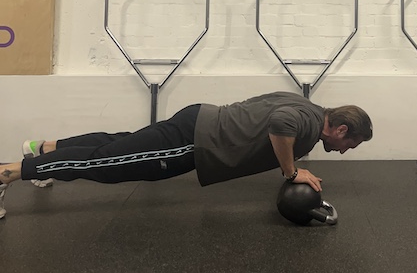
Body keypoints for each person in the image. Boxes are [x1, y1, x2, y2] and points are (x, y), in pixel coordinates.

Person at [0, 90, 372, 218]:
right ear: (341, 129)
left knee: (117, 145)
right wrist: (291, 173)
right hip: (197, 141)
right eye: (348, 144)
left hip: (199, 120)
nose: (343, 151)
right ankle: (11, 172)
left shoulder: (306, 104)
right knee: (110, 163)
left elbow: (266, 110)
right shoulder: (306, 120)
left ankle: (44, 150)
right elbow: (278, 123)